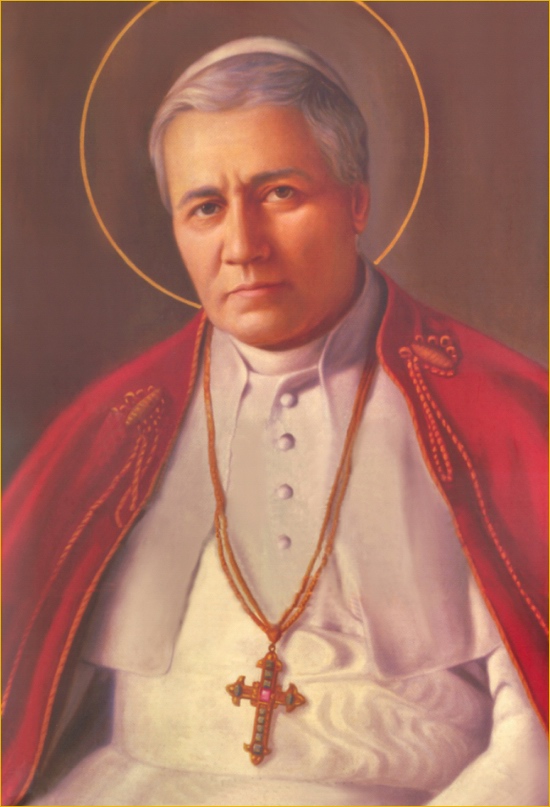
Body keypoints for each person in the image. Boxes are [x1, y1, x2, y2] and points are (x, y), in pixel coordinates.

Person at [2, 37, 547, 807]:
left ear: (357, 202)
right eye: (206, 207)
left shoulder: (488, 413)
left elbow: (537, 739)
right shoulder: (117, 430)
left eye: (281, 193)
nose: (243, 247)